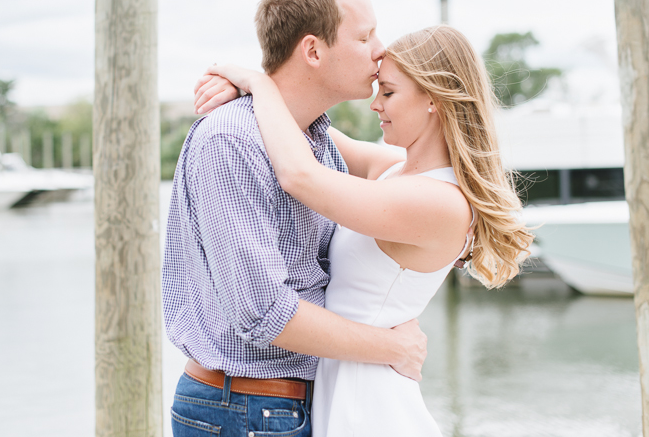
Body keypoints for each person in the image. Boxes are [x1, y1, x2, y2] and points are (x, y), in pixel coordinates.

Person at [195, 25, 534, 436]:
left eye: (388, 92)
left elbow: (300, 175)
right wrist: (248, 94)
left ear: (433, 98)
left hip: (369, 401)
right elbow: (304, 129)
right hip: (347, 384)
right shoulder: (393, 168)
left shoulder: (440, 202)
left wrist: (257, 83)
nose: (375, 104)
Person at [162, 0, 429, 437]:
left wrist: (253, 81)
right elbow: (266, 312)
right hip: (244, 408)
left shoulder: (316, 140)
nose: (380, 49)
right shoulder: (232, 140)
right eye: (364, 35)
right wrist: (392, 348)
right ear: (312, 50)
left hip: (279, 405)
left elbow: (416, 173)